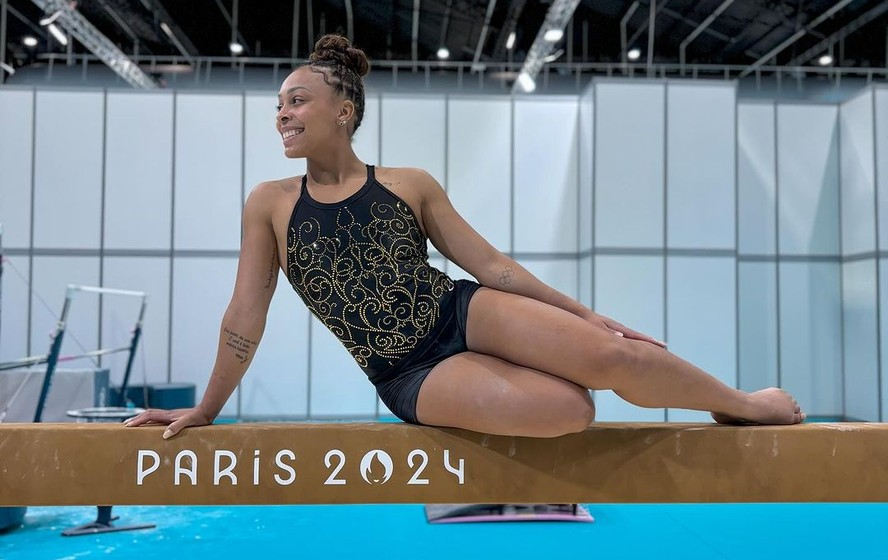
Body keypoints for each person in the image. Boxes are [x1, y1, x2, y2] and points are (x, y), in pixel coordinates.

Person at [125, 34, 805, 440]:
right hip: (407, 370)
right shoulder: (270, 205)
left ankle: (743, 406)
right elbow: (245, 315)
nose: (282, 114)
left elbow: (492, 267)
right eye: (278, 105)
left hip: (463, 310)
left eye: (296, 101)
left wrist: (583, 315)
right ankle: (583, 370)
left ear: (344, 110)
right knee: (571, 411)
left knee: (614, 355)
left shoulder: (408, 184)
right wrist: (207, 410)